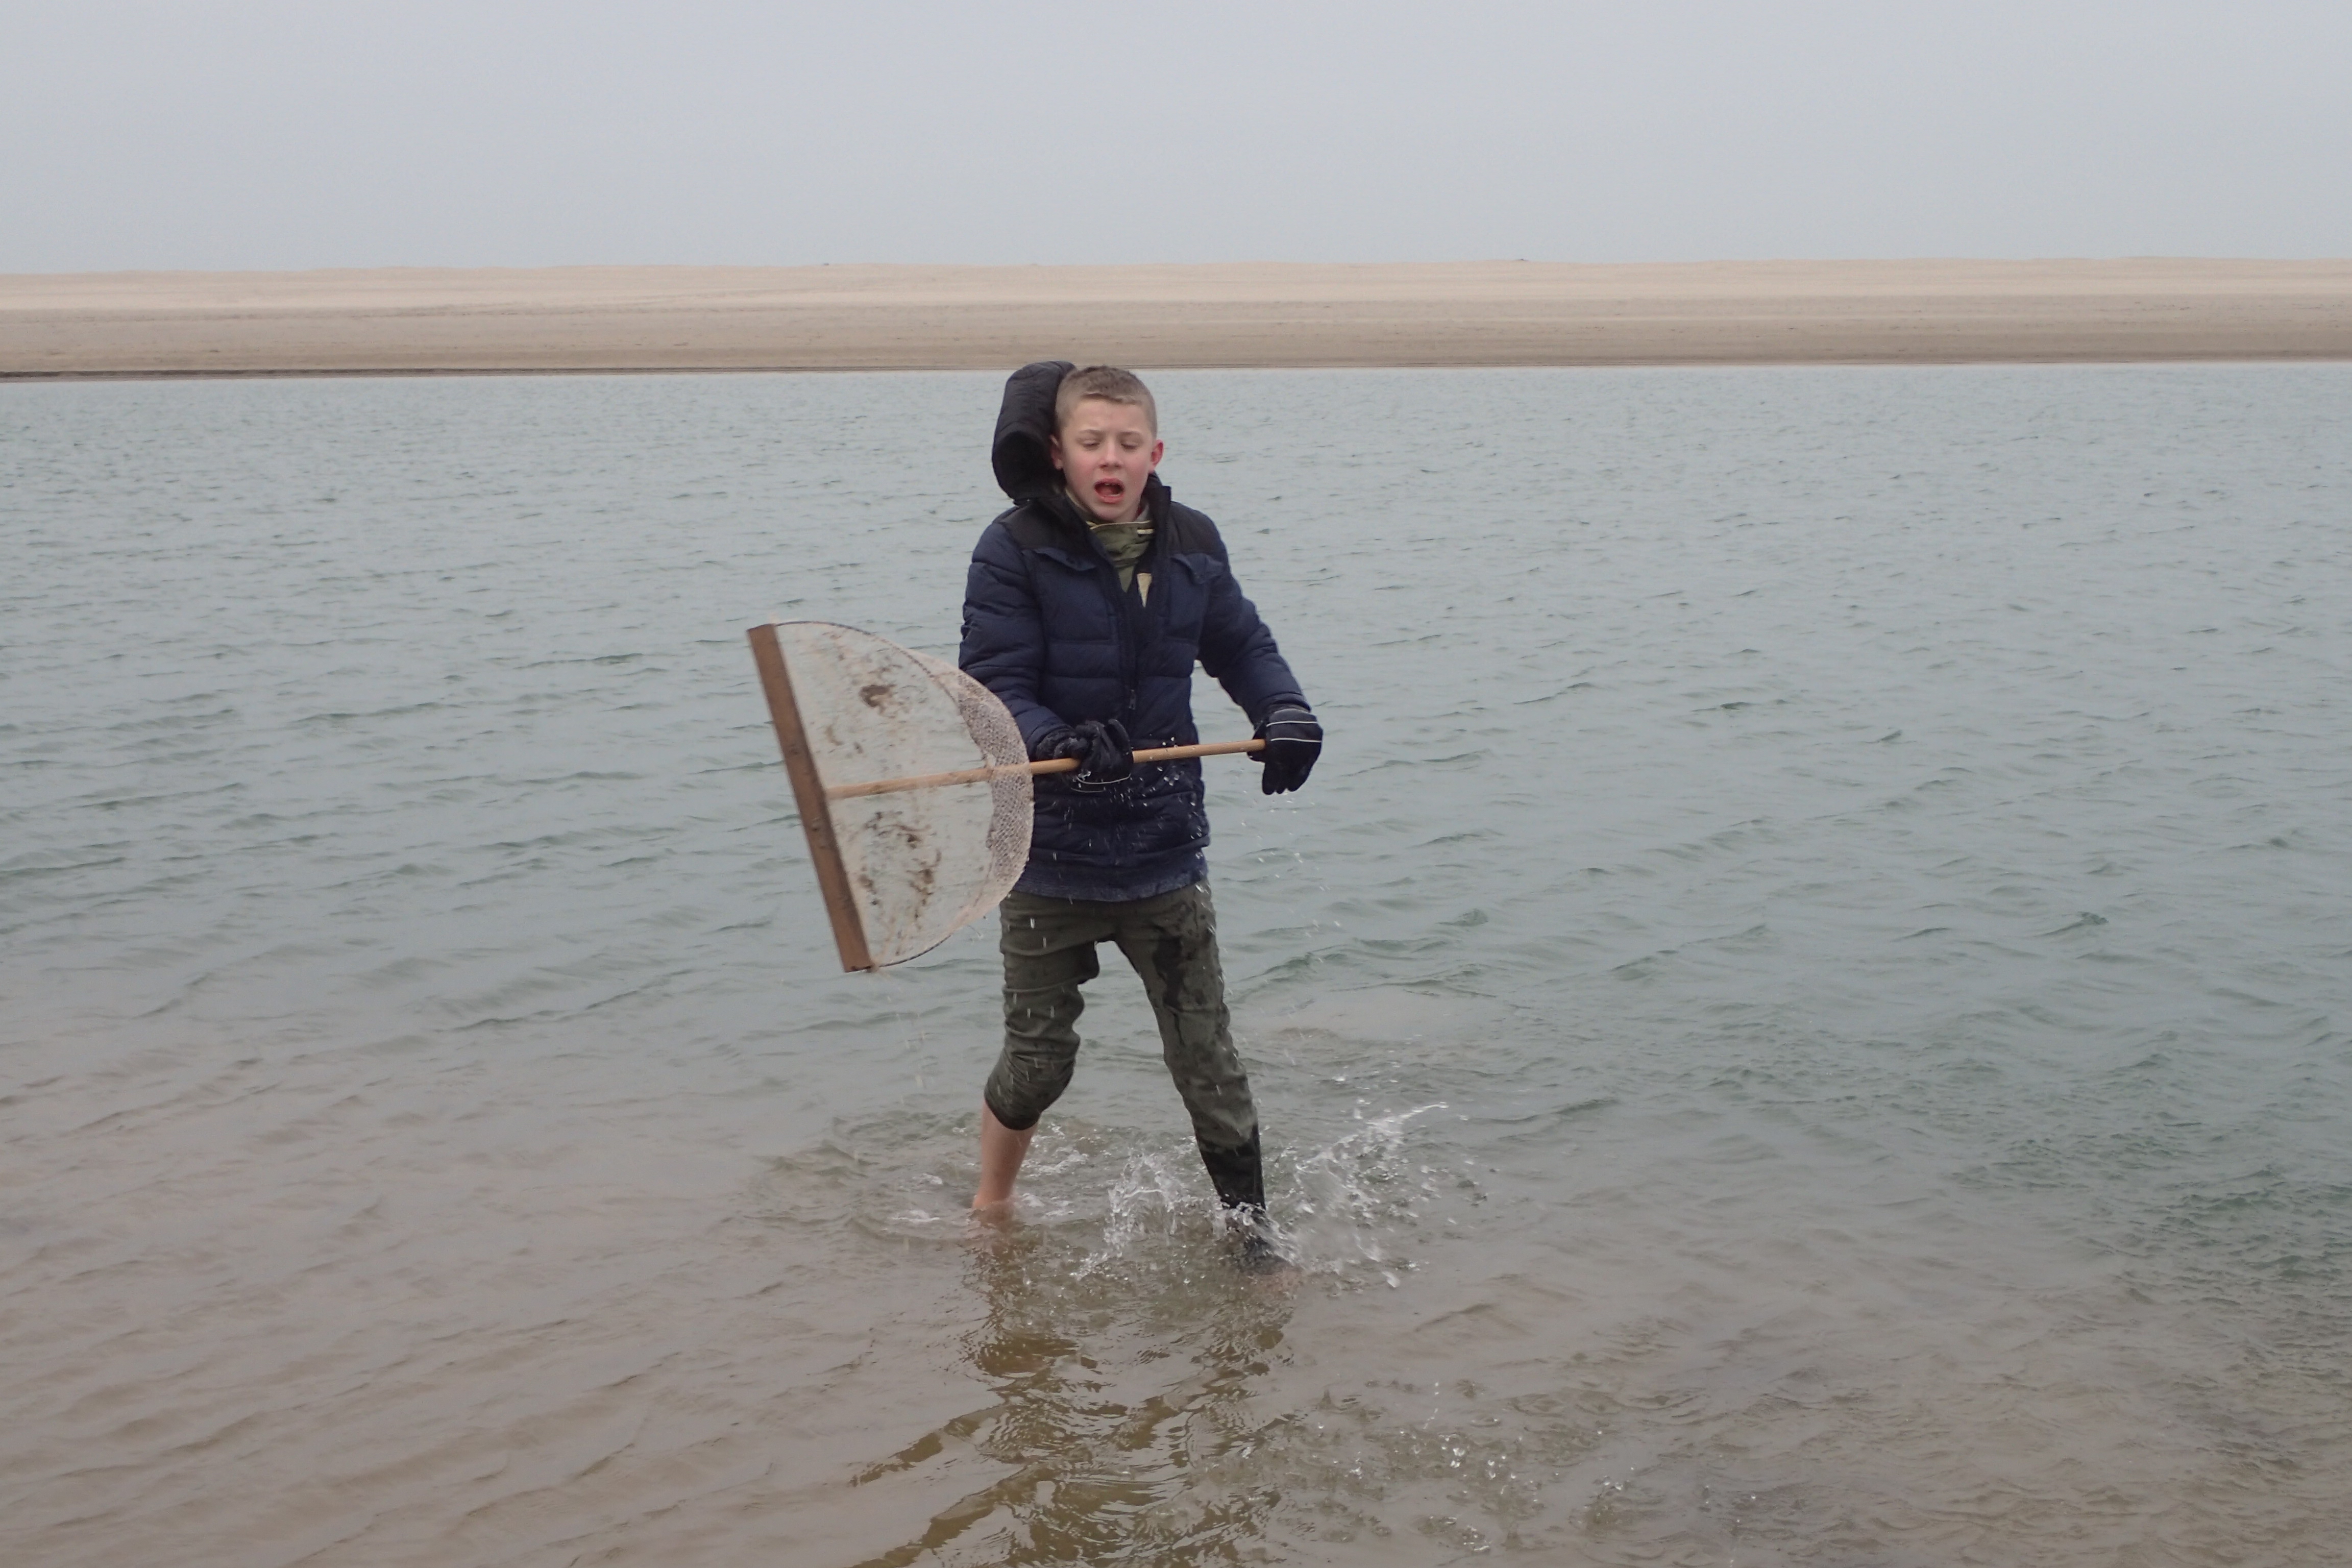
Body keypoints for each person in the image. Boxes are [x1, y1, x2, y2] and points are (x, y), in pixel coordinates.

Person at [958, 362, 1321, 1264]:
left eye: (1127, 444)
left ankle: (1252, 1243)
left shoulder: (1192, 540)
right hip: (1047, 853)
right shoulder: (1011, 549)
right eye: (1092, 444)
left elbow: (1241, 643)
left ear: (1154, 452)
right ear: (1060, 453)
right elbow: (992, 688)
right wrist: (1062, 739)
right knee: (1040, 1066)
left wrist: (1283, 713)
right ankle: (991, 1204)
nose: (1109, 459)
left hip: (1163, 848)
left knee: (1210, 1063)